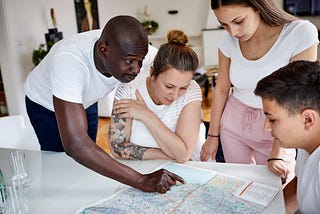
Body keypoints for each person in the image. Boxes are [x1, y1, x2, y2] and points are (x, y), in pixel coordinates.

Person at [24, 15, 184, 193]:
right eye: (130, 61)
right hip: (45, 106)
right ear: (103, 51)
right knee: (59, 167)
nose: (137, 69)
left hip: (86, 100)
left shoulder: (131, 49)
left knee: (85, 165)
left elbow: (178, 71)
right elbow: (76, 145)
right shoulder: (69, 60)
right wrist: (141, 180)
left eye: (141, 60)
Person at [201, 0, 319, 185]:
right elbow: (222, 88)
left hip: (277, 124)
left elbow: (299, 95)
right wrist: (212, 136)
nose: (233, 32)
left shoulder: (300, 32)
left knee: (277, 190)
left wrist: (277, 153)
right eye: (224, 25)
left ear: (258, 6)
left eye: (238, 21)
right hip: (234, 122)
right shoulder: (227, 40)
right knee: (238, 185)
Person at [108, 30, 205, 162]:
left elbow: (183, 155)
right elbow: (117, 147)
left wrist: (146, 115)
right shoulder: (129, 88)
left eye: (183, 87)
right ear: (152, 72)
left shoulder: (192, 90)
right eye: (169, 86)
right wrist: (171, 153)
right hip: (139, 170)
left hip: (184, 170)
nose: (175, 95)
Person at [254, 60, 320, 214]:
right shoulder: (308, 142)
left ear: (308, 119)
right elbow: (300, 185)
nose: (266, 127)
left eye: (272, 119)